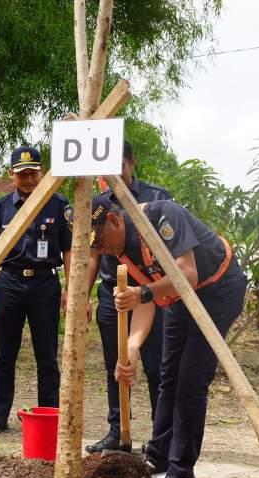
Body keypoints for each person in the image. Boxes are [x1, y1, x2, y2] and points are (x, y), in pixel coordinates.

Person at [90, 196, 246, 478]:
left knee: (190, 380)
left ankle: (183, 476)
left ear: (115, 221)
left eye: (100, 241)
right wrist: (132, 348)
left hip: (216, 290)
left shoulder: (163, 216)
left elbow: (186, 274)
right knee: (167, 375)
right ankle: (159, 458)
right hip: (177, 297)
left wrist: (143, 292)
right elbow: (146, 303)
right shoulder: (122, 254)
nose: (100, 250)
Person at [0, 146, 72, 434]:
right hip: (10, 284)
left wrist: (69, 288)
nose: (29, 179)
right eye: (23, 175)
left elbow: (68, 251)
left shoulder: (58, 205)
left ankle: (49, 414)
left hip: (45, 284)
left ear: (43, 173)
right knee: (5, 354)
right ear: (12, 175)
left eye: (34, 173)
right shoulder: (0, 208)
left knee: (47, 356)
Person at [85, 140, 173, 454]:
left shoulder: (157, 197)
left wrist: (151, 291)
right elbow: (93, 254)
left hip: (151, 295)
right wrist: (82, 293)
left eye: (120, 166)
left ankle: (161, 438)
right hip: (114, 295)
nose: (115, 175)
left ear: (132, 162)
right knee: (116, 366)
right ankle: (118, 432)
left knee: (156, 368)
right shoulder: (97, 202)